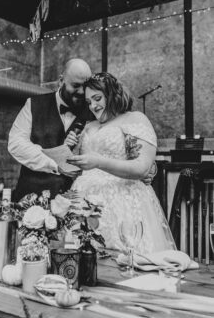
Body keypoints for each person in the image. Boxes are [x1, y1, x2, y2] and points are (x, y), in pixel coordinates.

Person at [67, 72, 176, 253]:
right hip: (84, 204)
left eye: (97, 98)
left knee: (126, 260)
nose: (93, 106)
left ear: (111, 94)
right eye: (88, 102)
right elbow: (75, 167)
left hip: (123, 203)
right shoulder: (89, 126)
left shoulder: (135, 119)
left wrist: (99, 162)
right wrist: (70, 148)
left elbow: (142, 168)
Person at [8, 58, 92, 201]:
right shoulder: (33, 105)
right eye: (76, 85)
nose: (82, 92)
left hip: (74, 201)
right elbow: (16, 144)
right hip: (31, 199)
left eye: (86, 86)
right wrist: (55, 165)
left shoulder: (92, 111)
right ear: (61, 81)